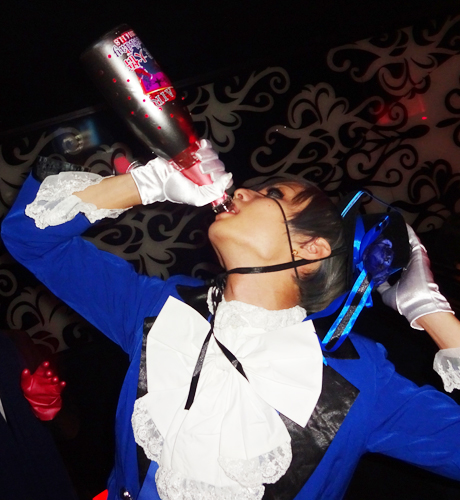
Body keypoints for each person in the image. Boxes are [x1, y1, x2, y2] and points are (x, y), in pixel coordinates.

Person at [2, 140, 460, 500]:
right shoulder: (157, 307)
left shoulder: (361, 381)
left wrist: (432, 313)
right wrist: (145, 183)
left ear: (312, 249)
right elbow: (29, 237)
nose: (241, 190)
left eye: (274, 194)